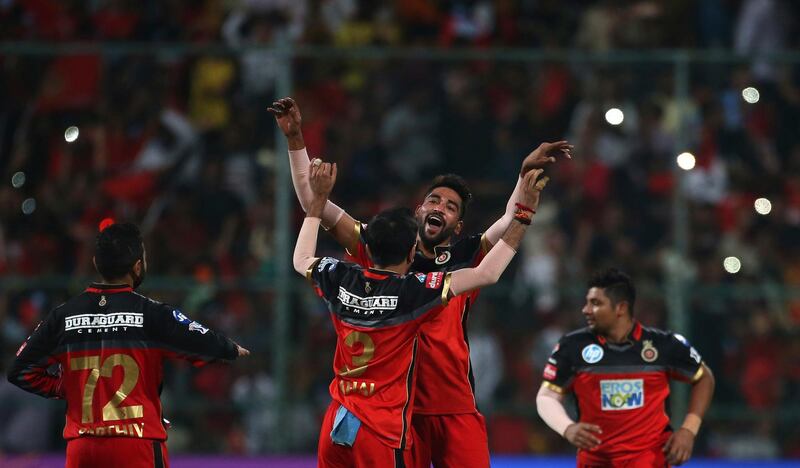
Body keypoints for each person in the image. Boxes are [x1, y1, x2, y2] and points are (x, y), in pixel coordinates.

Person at [271, 96, 570, 468]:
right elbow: (311, 200)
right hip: (399, 413)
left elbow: (508, 221)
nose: (439, 207)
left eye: (450, 207)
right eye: (434, 200)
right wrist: (296, 140)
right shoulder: (382, 247)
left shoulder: (465, 255)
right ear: (418, 210)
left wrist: (523, 177)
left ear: (457, 226)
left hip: (451, 406)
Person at [7, 222, 249, 468]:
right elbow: (203, 341)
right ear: (137, 266)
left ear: (95, 263)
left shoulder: (63, 316)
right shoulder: (151, 314)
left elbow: (20, 370)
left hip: (83, 448)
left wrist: (65, 386)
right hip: (136, 444)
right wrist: (230, 348)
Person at [536, 268, 715, 467]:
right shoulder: (573, 346)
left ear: (620, 308)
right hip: (595, 461)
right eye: (587, 302)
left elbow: (704, 377)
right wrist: (567, 427)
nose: (585, 309)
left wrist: (689, 430)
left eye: (595, 303)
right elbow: (547, 396)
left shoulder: (662, 345)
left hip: (649, 459)